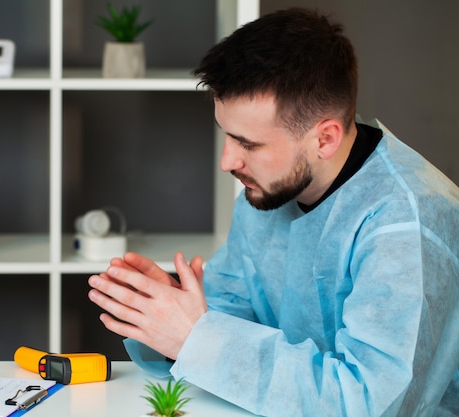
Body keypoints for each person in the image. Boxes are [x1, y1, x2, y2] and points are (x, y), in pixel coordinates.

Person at [88, 8, 459, 417]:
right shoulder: (269, 192)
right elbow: (232, 310)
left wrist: (197, 337)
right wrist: (170, 315)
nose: (227, 161)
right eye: (226, 135)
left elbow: (370, 403)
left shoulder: (405, 221)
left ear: (325, 138)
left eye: (248, 144)